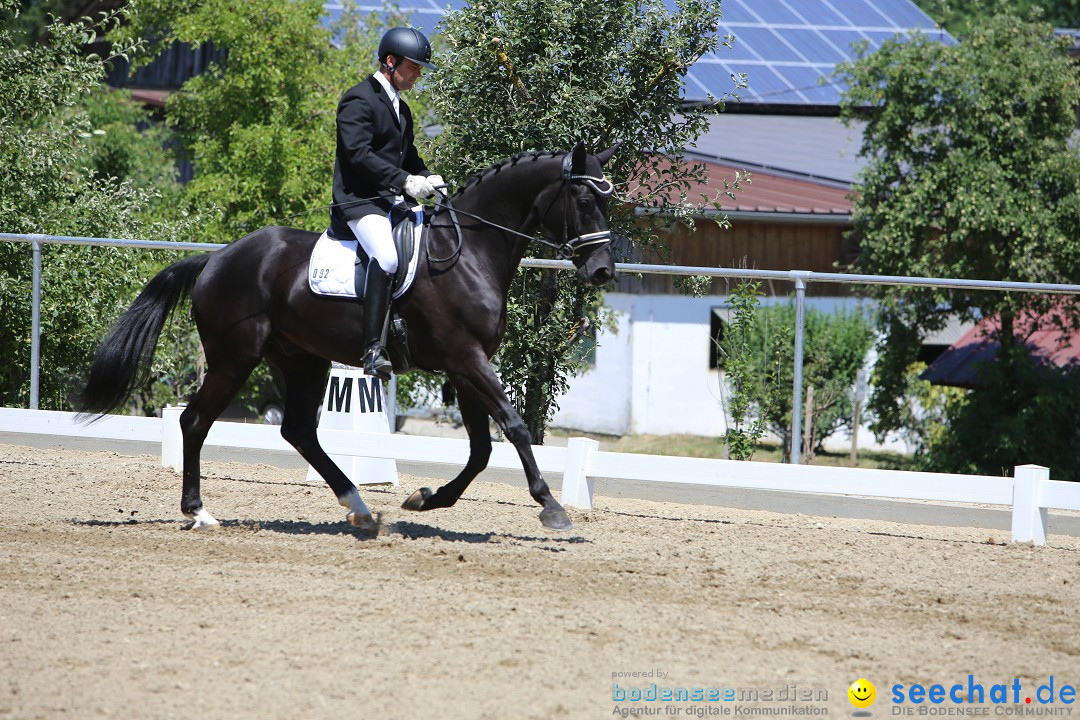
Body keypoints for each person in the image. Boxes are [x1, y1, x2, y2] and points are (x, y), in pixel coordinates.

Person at [330, 27, 443, 380]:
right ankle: (372, 349)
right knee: (388, 256)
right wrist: (405, 182)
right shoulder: (358, 99)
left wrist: (428, 177)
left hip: (391, 202)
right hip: (359, 203)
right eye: (414, 67)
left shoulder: (402, 109)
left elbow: (407, 155)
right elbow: (358, 154)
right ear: (390, 62)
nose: (418, 74)